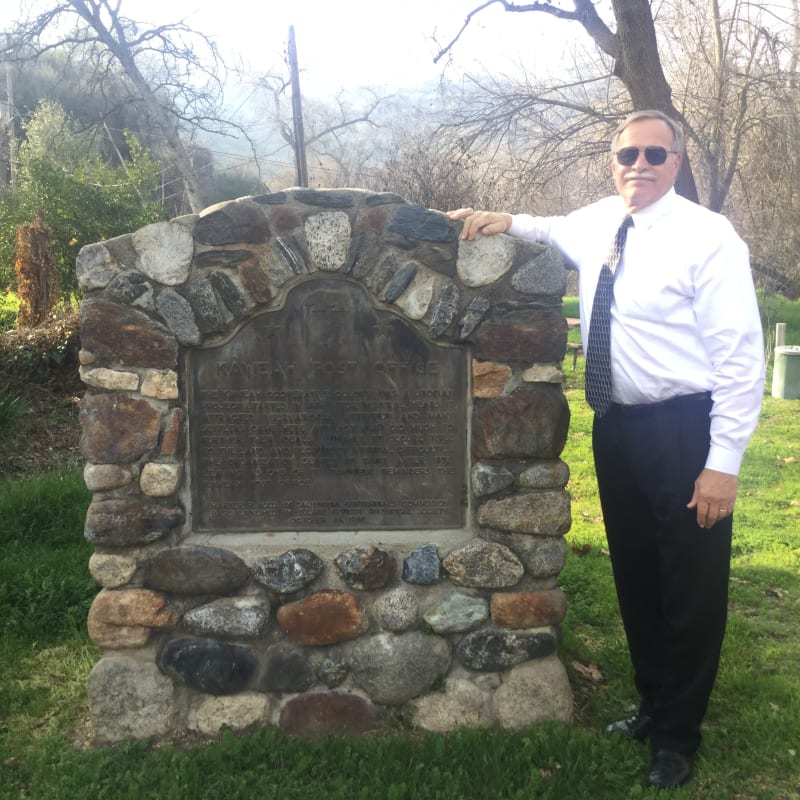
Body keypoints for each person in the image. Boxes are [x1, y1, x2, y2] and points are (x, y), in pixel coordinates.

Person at [450, 109, 765, 790]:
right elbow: (546, 228)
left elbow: (742, 361)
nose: (640, 167)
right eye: (628, 156)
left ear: (677, 162)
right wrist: (496, 216)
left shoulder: (708, 239)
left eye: (656, 155)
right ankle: (652, 704)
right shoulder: (598, 221)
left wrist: (723, 464)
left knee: (689, 585)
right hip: (617, 427)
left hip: (686, 429)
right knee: (638, 578)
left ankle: (679, 736)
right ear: (612, 162)